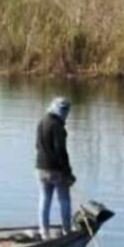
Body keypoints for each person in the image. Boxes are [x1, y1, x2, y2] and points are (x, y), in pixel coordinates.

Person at [35, 97, 76, 239]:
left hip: (40, 168)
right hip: (56, 170)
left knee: (44, 199)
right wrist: (68, 173)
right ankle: (67, 231)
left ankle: (44, 232)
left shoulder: (42, 121)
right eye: (65, 111)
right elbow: (61, 151)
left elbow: (37, 145)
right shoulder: (57, 126)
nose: (66, 114)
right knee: (64, 200)